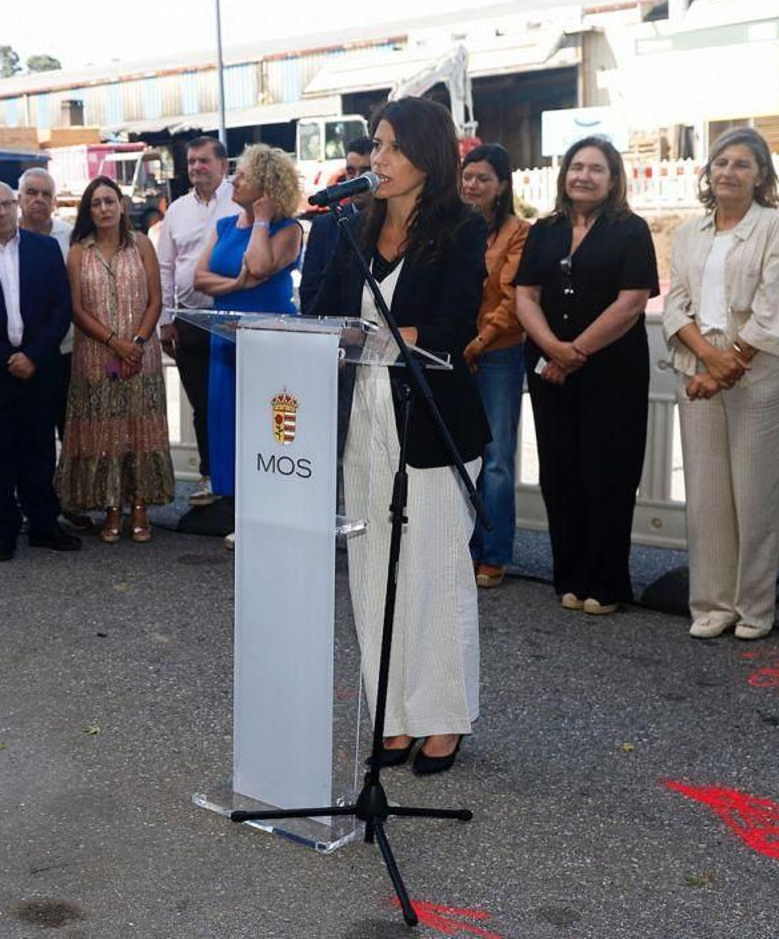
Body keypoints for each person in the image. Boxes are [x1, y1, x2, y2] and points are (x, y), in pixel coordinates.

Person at [311, 97, 490, 774]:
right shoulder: (349, 229)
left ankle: (441, 717)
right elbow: (321, 316)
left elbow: (447, 330)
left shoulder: (459, 230)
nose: (376, 158)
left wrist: (383, 335)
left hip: (432, 421)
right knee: (372, 569)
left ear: (426, 155)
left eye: (389, 146)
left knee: (436, 570)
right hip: (365, 421)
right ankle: (391, 713)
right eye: (374, 145)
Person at [664, 128, 779, 641]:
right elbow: (675, 305)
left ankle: (754, 608)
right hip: (698, 369)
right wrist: (708, 360)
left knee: (755, 497)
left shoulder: (777, 227)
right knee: (706, 497)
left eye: (742, 164)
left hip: (759, 375)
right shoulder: (688, 234)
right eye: (721, 162)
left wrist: (730, 365)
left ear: (761, 175)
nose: (728, 172)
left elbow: (774, 311)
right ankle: (712, 604)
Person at [514, 136, 660, 616]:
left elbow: (631, 302)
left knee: (607, 473)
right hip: (550, 372)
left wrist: (575, 350)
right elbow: (526, 296)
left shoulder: (630, 230)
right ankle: (570, 576)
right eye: (576, 166)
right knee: (560, 473)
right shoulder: (545, 229)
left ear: (614, 178)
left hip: (611, 371)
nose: (584, 176)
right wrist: (554, 350)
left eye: (596, 169)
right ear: (564, 175)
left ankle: (606, 582)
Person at [0, 181, 82, 561]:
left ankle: (43, 525)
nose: (2, 211)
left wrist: (34, 356)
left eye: (7, 203)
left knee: (39, 450)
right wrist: (9, 357)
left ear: (17, 204)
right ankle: (4, 528)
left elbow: (61, 308)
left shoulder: (45, 249)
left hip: (40, 369)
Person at [193, 143, 304, 548]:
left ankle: (271, 514)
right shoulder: (223, 226)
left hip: (270, 341)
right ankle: (242, 509)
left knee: (266, 426)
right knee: (228, 423)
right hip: (225, 337)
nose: (234, 180)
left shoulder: (288, 229)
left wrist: (261, 220)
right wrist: (236, 286)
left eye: (243, 175)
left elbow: (259, 266)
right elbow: (199, 279)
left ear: (266, 185)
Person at [54, 177, 176, 541]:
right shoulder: (78, 250)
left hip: (141, 354)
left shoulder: (141, 245)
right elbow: (75, 309)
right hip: (95, 355)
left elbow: (156, 299)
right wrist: (113, 342)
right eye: (96, 203)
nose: (104, 208)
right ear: (88, 211)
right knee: (104, 429)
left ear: (121, 205)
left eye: (110, 201)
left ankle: (139, 507)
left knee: (139, 429)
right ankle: (110, 507)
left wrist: (135, 342)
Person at [458, 144, 530, 589]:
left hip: (498, 352)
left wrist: (480, 341)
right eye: (467, 177)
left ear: (502, 185)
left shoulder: (519, 232)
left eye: (483, 178)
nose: (473, 186)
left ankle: (494, 554)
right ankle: (460, 547)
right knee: (460, 458)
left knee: (497, 458)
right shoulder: (452, 227)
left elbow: (512, 297)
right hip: (453, 353)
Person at [156, 136, 241, 506]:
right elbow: (164, 268)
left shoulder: (242, 201)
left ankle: (243, 479)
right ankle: (211, 475)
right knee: (204, 405)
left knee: (237, 402)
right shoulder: (176, 210)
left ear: (223, 165)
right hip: (190, 321)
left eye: (203, 161)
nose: (196, 168)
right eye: (191, 162)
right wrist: (165, 319)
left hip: (235, 319)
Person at [19, 167, 89, 531]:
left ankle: (72, 501)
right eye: (32, 192)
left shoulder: (70, 237)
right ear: (20, 197)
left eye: (46, 194)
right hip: (23, 356)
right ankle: (36, 507)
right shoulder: (5, 235)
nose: (39, 200)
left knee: (71, 431)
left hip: (65, 352)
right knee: (33, 437)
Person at [299, 135, 374, 313]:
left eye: (365, 172)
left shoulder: (392, 222)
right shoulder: (325, 225)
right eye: (350, 172)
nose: (355, 179)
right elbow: (309, 295)